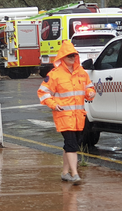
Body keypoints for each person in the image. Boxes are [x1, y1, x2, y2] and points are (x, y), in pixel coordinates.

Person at [37, 41, 95, 184]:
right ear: (62, 57)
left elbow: (89, 88)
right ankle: (75, 174)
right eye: (69, 56)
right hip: (63, 115)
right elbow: (43, 92)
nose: (72, 58)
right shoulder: (55, 75)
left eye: (74, 55)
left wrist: (91, 93)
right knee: (71, 145)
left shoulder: (81, 73)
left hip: (78, 117)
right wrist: (53, 105)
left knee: (71, 144)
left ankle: (65, 173)